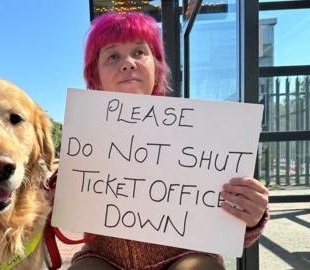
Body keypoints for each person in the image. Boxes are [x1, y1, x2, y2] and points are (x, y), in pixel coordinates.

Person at [63, 12, 270, 270]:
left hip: (186, 258)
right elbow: (53, 211)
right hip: (103, 260)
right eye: (112, 56)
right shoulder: (84, 138)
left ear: (157, 66)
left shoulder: (203, 132)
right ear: (95, 74)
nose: (128, 63)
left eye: (139, 52)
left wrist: (251, 218)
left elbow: (237, 230)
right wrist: (51, 194)